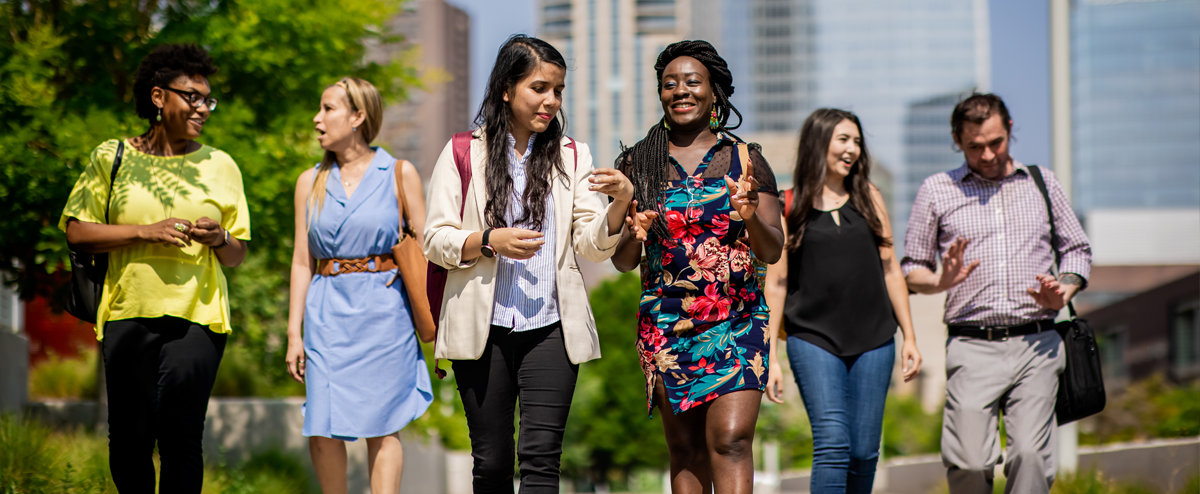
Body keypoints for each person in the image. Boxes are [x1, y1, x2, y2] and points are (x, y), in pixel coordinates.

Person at [422, 35, 634, 492]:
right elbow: (434, 240)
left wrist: (618, 205)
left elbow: (591, 245)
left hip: (553, 327)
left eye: (557, 91)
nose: (551, 101)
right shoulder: (462, 151)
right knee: (493, 463)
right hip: (483, 330)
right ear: (506, 89)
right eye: (539, 88)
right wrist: (487, 240)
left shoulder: (572, 155)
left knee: (541, 462)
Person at [59, 43, 249, 493]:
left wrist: (219, 238)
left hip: (199, 316)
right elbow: (78, 232)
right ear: (159, 97)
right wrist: (147, 231)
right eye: (192, 97)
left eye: (208, 99)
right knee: (130, 440)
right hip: (127, 311)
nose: (203, 108)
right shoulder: (112, 157)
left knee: (182, 437)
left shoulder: (221, 165)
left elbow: (238, 253)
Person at [611, 40, 785, 493]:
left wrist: (748, 215)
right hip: (667, 323)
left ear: (714, 94)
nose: (680, 90)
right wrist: (636, 231)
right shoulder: (638, 164)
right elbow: (623, 261)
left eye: (692, 81)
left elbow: (772, 249)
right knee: (685, 451)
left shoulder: (745, 160)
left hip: (738, 320)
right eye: (670, 84)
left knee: (730, 440)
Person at [902, 93, 1092, 494]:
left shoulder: (1042, 182)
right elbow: (911, 268)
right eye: (974, 146)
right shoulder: (937, 190)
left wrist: (1066, 289)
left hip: (1038, 343)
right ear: (957, 140)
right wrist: (940, 281)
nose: (987, 154)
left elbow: (1077, 249)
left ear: (1009, 130)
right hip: (972, 346)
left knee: (1030, 457)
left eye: (995, 143)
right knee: (969, 462)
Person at [284, 77, 433, 494]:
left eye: (328, 108)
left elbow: (427, 250)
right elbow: (301, 261)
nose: (317, 119)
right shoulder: (307, 181)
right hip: (326, 312)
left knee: (383, 425)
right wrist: (293, 332)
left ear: (357, 117)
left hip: (386, 312)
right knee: (322, 423)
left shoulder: (400, 173)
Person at [762, 108, 922, 493]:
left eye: (857, 141)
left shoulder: (869, 197)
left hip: (875, 339)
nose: (853, 149)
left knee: (865, 451)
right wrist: (771, 359)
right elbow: (777, 284)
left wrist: (910, 338)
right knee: (833, 444)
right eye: (843, 140)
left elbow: (891, 271)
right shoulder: (788, 205)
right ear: (820, 143)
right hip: (813, 340)